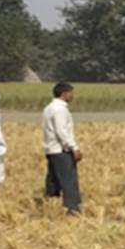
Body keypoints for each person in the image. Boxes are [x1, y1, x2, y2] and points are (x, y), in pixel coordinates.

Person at [42, 82, 82, 215]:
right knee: (68, 179)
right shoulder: (60, 110)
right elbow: (61, 131)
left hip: (51, 148)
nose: (72, 95)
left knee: (53, 179)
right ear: (64, 94)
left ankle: (50, 203)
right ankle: (72, 208)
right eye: (71, 92)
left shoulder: (49, 108)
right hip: (61, 149)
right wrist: (73, 147)